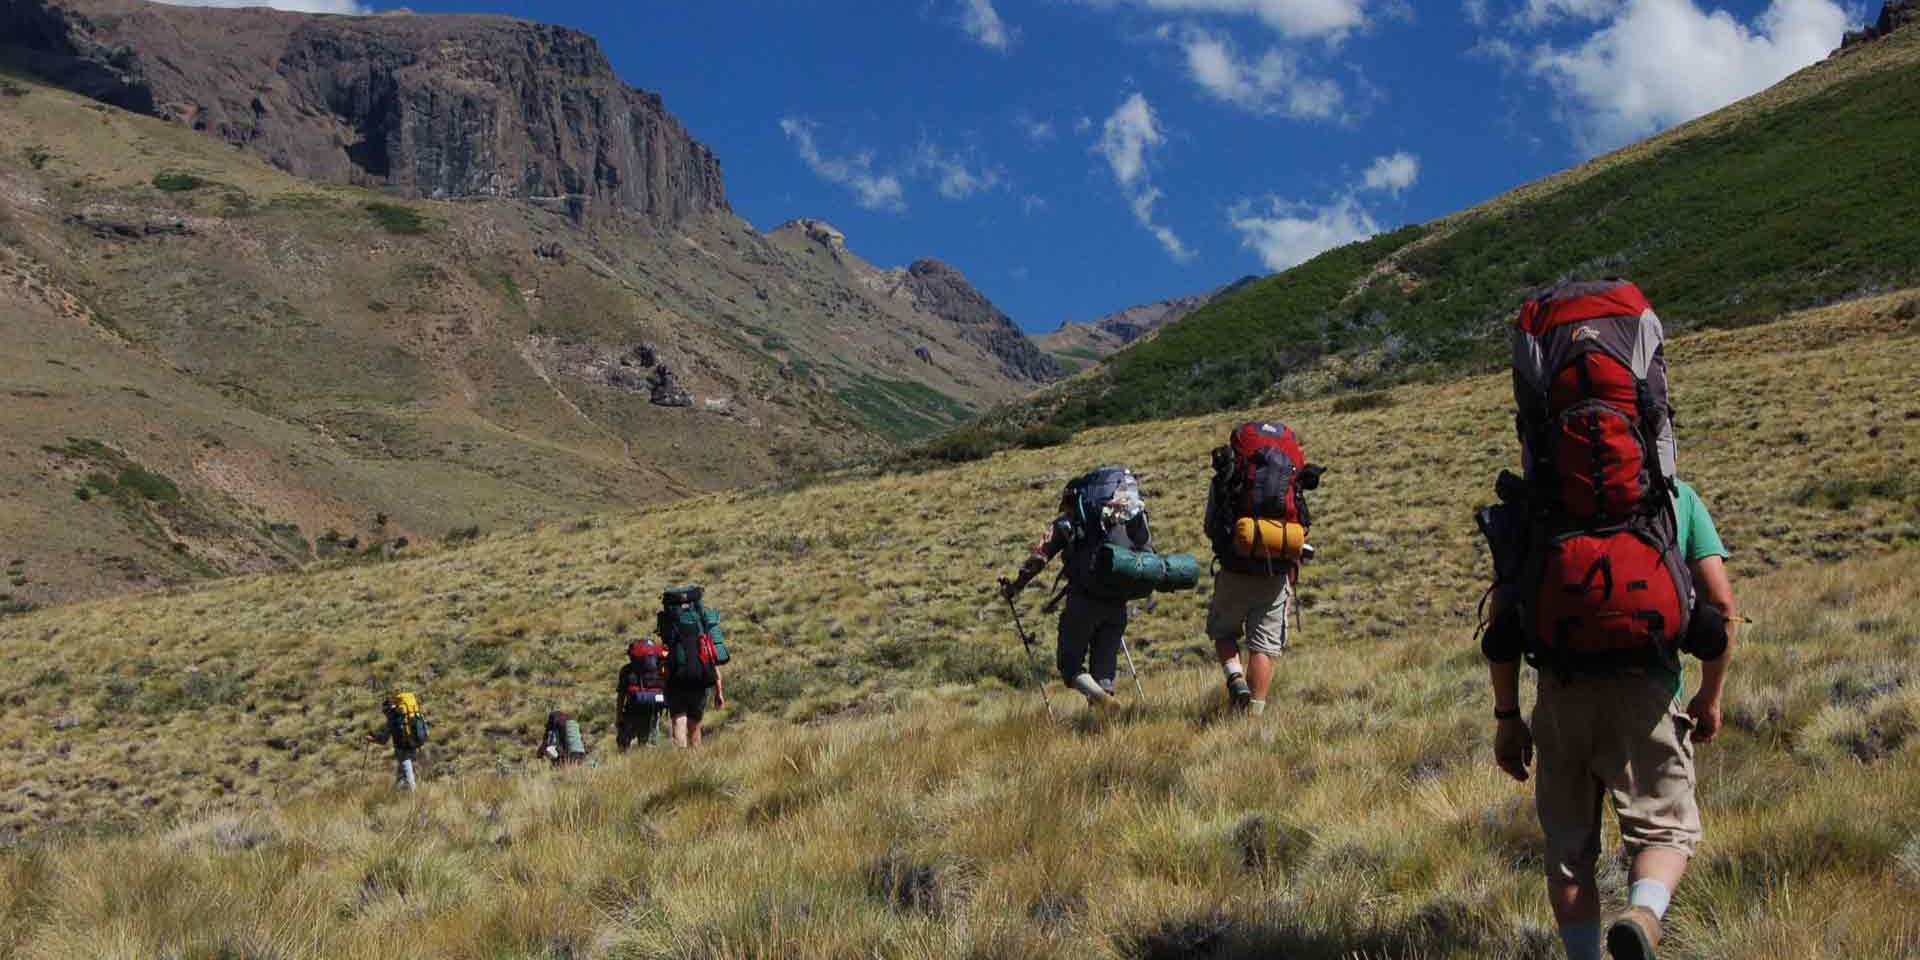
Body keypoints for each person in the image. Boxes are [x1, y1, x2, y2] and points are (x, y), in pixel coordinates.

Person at [1483, 280, 1735, 960]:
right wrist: (1708, 695)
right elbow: (1721, 609)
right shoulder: (1673, 501)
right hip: (1649, 686)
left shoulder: (1532, 510)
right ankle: (1644, 918)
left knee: (1568, 853)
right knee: (1664, 832)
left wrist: (1508, 718)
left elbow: (1502, 626)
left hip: (1561, 692)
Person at [1000, 466, 1153, 710]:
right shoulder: (1119, 518)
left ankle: (1100, 700)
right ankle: (1103, 714)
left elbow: (1039, 558)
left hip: (1084, 601)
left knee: (1070, 666)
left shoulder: (1068, 522)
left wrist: (1016, 586)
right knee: (1104, 671)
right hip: (1118, 601)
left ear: (1072, 499)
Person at [1201, 422, 1323, 716]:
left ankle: (1235, 679)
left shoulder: (1229, 474)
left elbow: (1210, 526)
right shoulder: (1289, 474)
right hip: (1276, 569)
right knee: (1263, 646)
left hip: (1235, 565)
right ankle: (1253, 715)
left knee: (1224, 631)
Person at [659, 586, 727, 748]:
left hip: (677, 678)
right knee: (695, 725)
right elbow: (712, 659)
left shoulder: (671, 625)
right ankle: (696, 759)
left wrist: (664, 684)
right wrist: (719, 692)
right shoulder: (702, 628)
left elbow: (664, 656)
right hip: (700, 677)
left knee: (679, 720)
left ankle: (680, 760)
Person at [365, 692, 427, 791]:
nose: (385, 714)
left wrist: (372, 739)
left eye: (385, 711)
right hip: (414, 743)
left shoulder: (394, 717)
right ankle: (396, 794)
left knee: (407, 771)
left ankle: (413, 793)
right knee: (401, 772)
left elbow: (383, 739)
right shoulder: (405, 714)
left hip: (403, 747)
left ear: (387, 709)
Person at [616, 638, 669, 750]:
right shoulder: (659, 669)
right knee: (648, 741)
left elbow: (621, 696)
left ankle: (624, 762)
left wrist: (619, 716)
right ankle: (648, 763)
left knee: (623, 742)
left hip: (632, 709)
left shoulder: (626, 671)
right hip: (653, 710)